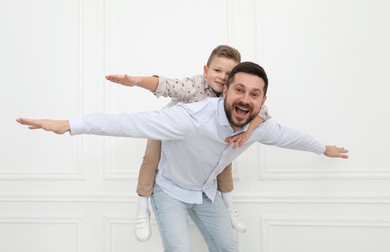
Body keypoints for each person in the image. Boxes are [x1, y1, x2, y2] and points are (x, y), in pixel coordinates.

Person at [17, 61, 348, 252]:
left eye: (254, 94)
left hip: (207, 194)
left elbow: (291, 137)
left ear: (263, 99)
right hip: (171, 192)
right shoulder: (191, 118)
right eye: (239, 90)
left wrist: (323, 148)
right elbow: (130, 123)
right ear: (226, 91)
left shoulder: (259, 127)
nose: (245, 100)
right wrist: (70, 125)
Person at [105, 45, 271, 241]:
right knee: (150, 159)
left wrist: (247, 132)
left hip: (196, 141)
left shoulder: (231, 93)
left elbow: (263, 111)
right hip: (167, 128)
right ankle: (142, 209)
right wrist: (137, 81)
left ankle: (229, 206)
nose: (222, 77)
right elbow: (167, 85)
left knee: (225, 157)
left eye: (229, 73)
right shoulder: (196, 85)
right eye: (217, 70)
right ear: (206, 70)